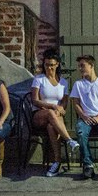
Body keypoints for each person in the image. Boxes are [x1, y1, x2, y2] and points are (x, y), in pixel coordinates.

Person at [28, 49, 80, 177]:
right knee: (51, 114)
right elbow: (34, 100)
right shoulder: (39, 79)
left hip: (56, 117)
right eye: (46, 65)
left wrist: (61, 109)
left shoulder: (63, 82)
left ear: (57, 64)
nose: (49, 68)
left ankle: (56, 163)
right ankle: (69, 140)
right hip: (39, 115)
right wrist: (52, 106)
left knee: (52, 126)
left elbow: (64, 102)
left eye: (52, 65)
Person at [71, 54, 98, 180]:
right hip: (85, 118)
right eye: (79, 66)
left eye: (83, 65)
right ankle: (88, 165)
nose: (80, 68)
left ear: (91, 66)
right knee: (80, 132)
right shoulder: (78, 84)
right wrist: (84, 116)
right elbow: (76, 104)